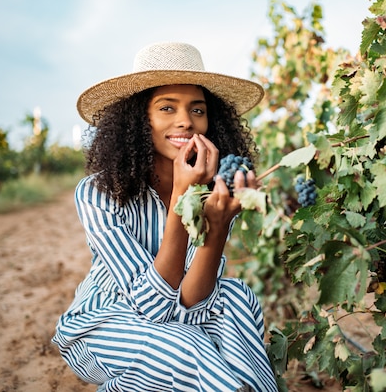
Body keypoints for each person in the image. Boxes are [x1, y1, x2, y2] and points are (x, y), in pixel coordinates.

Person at [52, 42, 278, 392]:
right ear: (139, 119)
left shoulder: (217, 190)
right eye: (167, 107)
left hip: (179, 321)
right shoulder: (98, 192)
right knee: (191, 347)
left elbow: (190, 303)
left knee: (236, 296)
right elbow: (153, 308)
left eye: (198, 110)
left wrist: (215, 231)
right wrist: (180, 200)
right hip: (101, 327)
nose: (185, 121)